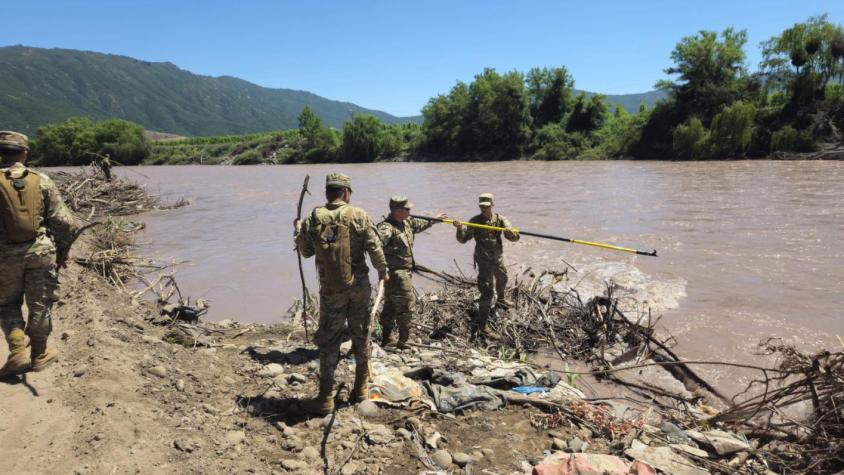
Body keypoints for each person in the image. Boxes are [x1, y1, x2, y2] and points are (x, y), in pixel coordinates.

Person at [294, 173, 388, 415]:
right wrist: (383, 272)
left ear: (327, 193)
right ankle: (361, 390)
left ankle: (325, 398)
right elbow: (375, 248)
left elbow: (305, 252)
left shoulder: (314, 217)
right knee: (361, 336)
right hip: (359, 289)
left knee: (329, 340)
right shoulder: (359, 215)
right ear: (346, 193)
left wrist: (298, 230)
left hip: (331, 290)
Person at [0, 131, 78, 377]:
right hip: (41, 252)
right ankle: (40, 354)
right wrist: (62, 251)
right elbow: (64, 223)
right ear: (24, 153)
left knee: (7, 304)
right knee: (40, 305)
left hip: (4, 255)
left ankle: (17, 352)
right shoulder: (42, 180)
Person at [376, 196, 445, 349]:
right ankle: (403, 341)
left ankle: (388, 339)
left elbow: (420, 224)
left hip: (405, 272)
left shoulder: (406, 222)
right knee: (406, 306)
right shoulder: (386, 228)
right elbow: (376, 247)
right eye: (406, 209)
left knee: (391, 305)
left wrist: (435, 219)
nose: (409, 211)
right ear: (396, 210)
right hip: (395, 274)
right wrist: (381, 268)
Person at [453, 193, 519, 338]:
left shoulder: (501, 219)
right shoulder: (475, 221)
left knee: (503, 278)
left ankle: (501, 299)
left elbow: (513, 238)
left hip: (497, 258)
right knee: (487, 293)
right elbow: (463, 239)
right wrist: (459, 228)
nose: (483, 209)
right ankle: (483, 326)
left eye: (486, 206)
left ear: (492, 205)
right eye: (481, 206)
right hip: (483, 261)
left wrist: (512, 233)